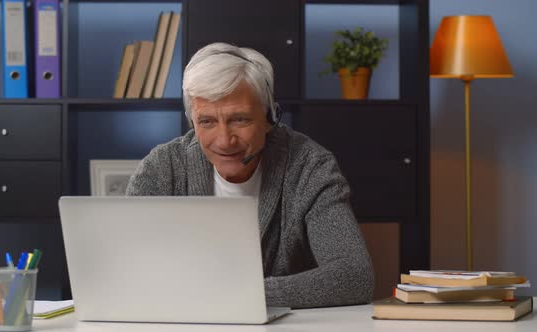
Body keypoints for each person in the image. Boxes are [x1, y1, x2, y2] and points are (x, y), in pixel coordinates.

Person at [126, 42, 374, 308]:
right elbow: (124, 271)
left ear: (270, 117)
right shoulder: (162, 168)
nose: (224, 141)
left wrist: (238, 293)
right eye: (207, 122)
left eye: (240, 119)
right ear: (192, 122)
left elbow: (355, 276)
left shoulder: (309, 166)